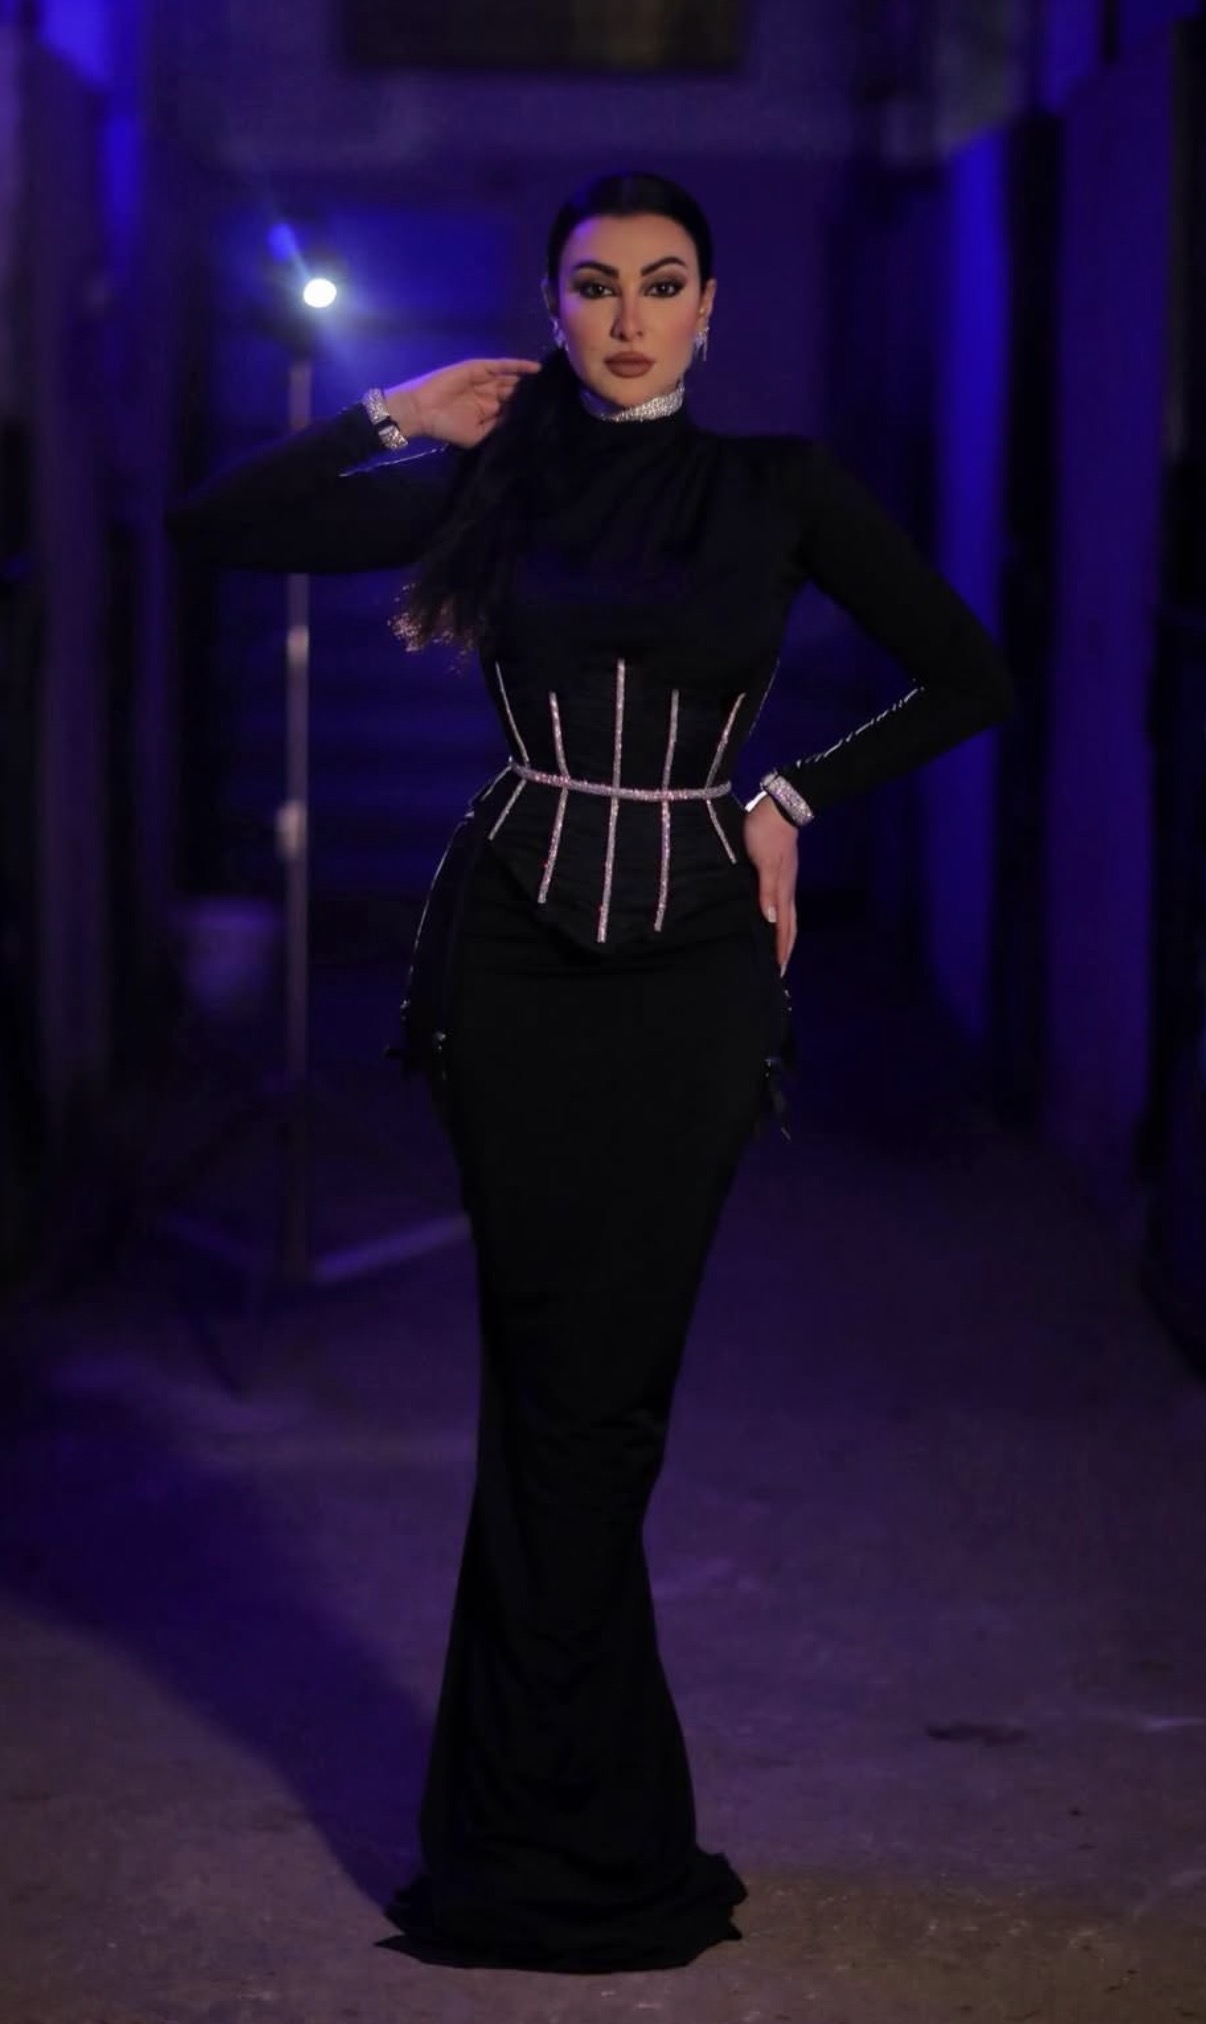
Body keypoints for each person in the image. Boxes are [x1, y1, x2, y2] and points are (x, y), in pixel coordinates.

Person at [168, 168, 1014, 1974]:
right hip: (513, 964)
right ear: (549, 307)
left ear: (711, 307)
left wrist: (790, 799)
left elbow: (966, 676)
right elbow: (214, 523)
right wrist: (391, 413)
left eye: (660, 282)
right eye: (593, 285)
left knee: (602, 1408)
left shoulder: (779, 487)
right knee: (545, 1388)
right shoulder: (501, 475)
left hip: (694, 973)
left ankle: (556, 1827)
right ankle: (551, 1842)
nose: (627, 317)